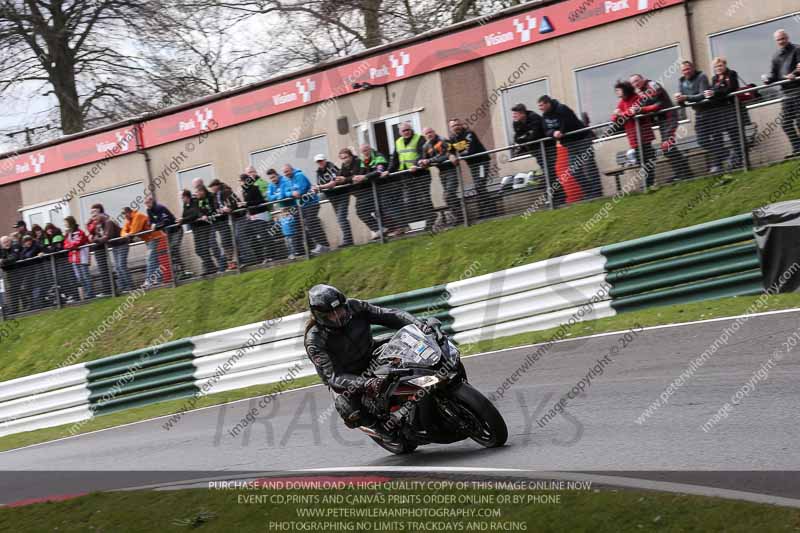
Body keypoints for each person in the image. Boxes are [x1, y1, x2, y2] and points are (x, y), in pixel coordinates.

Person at [304, 284, 440, 438]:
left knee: (409, 344)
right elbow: (333, 376)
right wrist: (366, 383)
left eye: (339, 310)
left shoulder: (355, 307)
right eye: (331, 314)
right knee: (349, 409)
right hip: (347, 375)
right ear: (320, 316)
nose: (338, 316)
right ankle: (380, 428)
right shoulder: (314, 340)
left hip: (371, 353)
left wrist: (418, 324)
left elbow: (391, 315)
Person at [538, 95, 602, 201]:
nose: (540, 108)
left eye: (541, 105)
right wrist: (553, 133)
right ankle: (589, 192)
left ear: (547, 103)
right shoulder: (545, 116)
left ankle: (597, 192)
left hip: (582, 139)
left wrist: (561, 132)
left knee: (589, 165)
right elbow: (546, 130)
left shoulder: (562, 108)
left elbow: (570, 122)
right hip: (570, 144)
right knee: (574, 170)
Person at [629, 74, 690, 182]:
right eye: (633, 82)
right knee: (668, 149)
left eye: (637, 80)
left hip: (669, 117)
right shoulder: (642, 91)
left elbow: (657, 105)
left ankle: (684, 174)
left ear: (643, 79)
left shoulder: (652, 84)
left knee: (667, 147)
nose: (635, 84)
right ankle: (683, 173)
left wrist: (641, 109)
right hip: (663, 121)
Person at [383, 122, 435, 235]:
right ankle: (410, 224)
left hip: (420, 174)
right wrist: (388, 170)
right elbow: (394, 159)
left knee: (425, 198)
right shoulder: (398, 142)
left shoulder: (419, 139)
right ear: (400, 132)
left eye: (408, 130)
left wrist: (416, 164)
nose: (406, 132)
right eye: (404, 131)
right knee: (409, 201)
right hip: (406, 176)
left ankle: (430, 221)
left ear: (411, 130)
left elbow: (423, 154)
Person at [611, 80, 657, 188]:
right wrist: (618, 115)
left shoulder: (637, 98)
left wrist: (620, 114)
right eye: (616, 90)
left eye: (618, 90)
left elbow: (632, 112)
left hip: (643, 135)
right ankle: (647, 184)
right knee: (641, 160)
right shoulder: (622, 102)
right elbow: (613, 117)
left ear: (625, 89)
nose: (617, 92)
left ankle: (649, 184)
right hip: (633, 137)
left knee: (647, 159)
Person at [763, 29, 800, 158]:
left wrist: (794, 74)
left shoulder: (797, 49)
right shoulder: (775, 56)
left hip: (798, 90)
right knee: (786, 123)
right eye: (778, 40)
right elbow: (773, 75)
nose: (781, 41)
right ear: (776, 41)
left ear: (787, 38)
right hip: (786, 93)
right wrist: (767, 80)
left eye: (783, 38)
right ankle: (797, 149)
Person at [448, 118, 493, 220]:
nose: (456, 127)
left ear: (461, 125)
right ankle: (483, 210)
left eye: (457, 125)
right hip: (472, 166)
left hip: (482, 163)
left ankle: (489, 210)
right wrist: (451, 155)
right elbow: (450, 150)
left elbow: (470, 150)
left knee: (479, 185)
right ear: (450, 128)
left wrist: (458, 157)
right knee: (478, 187)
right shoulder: (452, 138)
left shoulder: (469, 133)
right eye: (453, 126)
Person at [676, 61, 716, 173]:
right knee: (702, 141)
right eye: (684, 70)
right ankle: (723, 154)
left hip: (711, 111)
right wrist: (679, 100)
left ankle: (717, 165)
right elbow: (682, 102)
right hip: (698, 113)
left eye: (688, 69)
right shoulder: (681, 81)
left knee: (716, 138)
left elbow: (703, 95)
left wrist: (686, 98)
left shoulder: (701, 76)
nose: (686, 71)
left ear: (693, 68)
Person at [705, 58, 744, 170]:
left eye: (720, 65)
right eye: (716, 66)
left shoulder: (731, 74)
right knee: (725, 136)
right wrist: (711, 94)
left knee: (735, 136)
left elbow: (731, 89)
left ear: (725, 65)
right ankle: (734, 161)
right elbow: (714, 92)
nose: (718, 68)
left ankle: (741, 162)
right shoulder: (714, 78)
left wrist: (716, 93)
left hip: (732, 109)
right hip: (721, 112)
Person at [283, 164, 329, 255]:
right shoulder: (287, 180)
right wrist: (292, 193)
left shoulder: (299, 175)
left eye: (287, 171)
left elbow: (302, 189)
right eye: (284, 172)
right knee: (299, 225)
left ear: (292, 169)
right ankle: (311, 247)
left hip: (311, 203)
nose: (286, 174)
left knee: (311, 223)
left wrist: (296, 193)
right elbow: (285, 192)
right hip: (301, 206)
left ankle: (324, 245)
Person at [419, 127, 461, 226]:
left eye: (430, 132)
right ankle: (459, 216)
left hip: (451, 170)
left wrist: (429, 161)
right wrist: (421, 162)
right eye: (427, 133)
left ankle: (458, 216)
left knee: (449, 194)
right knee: (449, 195)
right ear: (425, 136)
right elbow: (424, 159)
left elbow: (446, 155)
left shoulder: (443, 140)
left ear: (434, 132)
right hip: (441, 172)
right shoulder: (425, 146)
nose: (429, 134)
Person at [314, 153, 353, 248]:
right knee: (341, 218)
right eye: (318, 161)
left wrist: (320, 187)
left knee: (341, 218)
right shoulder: (318, 172)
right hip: (332, 198)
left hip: (342, 195)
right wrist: (317, 187)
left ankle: (348, 241)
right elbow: (319, 184)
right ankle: (348, 239)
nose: (320, 163)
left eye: (321, 160)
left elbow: (333, 183)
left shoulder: (332, 167)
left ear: (325, 160)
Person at [179, 189, 221, 276]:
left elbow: (195, 214)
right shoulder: (185, 205)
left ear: (186, 197)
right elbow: (184, 215)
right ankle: (211, 267)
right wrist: (183, 219)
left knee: (204, 248)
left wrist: (184, 219)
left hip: (203, 227)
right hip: (195, 230)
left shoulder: (195, 201)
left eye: (182, 197)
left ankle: (211, 268)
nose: (181, 199)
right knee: (198, 250)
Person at [88, 204, 128, 293]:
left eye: (95, 214)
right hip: (114, 245)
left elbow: (107, 236)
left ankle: (129, 287)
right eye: (92, 214)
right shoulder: (98, 224)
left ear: (101, 214)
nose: (93, 217)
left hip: (121, 243)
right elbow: (98, 236)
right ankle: (122, 288)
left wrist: (94, 239)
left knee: (121, 266)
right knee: (117, 267)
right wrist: (95, 238)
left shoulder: (108, 221)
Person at [121, 207, 166, 287]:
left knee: (150, 258)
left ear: (128, 212)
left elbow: (135, 230)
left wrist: (128, 234)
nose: (124, 216)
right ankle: (159, 280)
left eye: (124, 214)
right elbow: (122, 231)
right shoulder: (129, 221)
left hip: (155, 237)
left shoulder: (138, 216)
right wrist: (126, 234)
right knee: (154, 259)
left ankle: (148, 281)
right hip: (149, 240)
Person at [355, 144, 391, 240]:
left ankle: (398, 227)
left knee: (384, 208)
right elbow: (362, 172)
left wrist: (364, 177)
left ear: (370, 149)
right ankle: (380, 229)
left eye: (366, 150)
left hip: (384, 187)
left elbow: (379, 171)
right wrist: (357, 177)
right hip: (371, 189)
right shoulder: (364, 160)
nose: (365, 153)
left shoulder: (378, 156)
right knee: (360, 210)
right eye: (363, 151)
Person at [145, 196, 185, 280]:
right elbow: (151, 223)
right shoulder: (149, 210)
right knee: (170, 252)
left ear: (152, 201)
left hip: (176, 230)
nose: (147, 205)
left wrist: (156, 226)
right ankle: (177, 273)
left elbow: (166, 221)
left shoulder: (160, 207)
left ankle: (182, 271)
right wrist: (153, 225)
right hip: (168, 233)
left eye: (148, 202)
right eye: (145, 203)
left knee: (173, 249)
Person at [208, 179, 240, 271]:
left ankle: (236, 261)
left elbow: (236, 202)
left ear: (217, 185)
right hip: (224, 222)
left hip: (233, 219)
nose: (212, 189)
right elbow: (216, 207)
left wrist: (230, 208)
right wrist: (218, 210)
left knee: (235, 239)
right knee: (225, 242)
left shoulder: (226, 192)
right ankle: (230, 263)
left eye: (212, 187)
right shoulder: (214, 196)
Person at [63, 216, 93, 300]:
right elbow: (65, 245)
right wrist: (70, 246)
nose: (65, 224)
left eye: (66, 222)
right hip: (73, 258)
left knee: (85, 276)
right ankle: (86, 294)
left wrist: (70, 245)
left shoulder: (80, 232)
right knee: (79, 277)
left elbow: (78, 243)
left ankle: (90, 294)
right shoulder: (68, 233)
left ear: (70, 222)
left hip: (82, 257)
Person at [0, 236, 22, 314]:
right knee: (11, 292)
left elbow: (14, 258)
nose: (6, 244)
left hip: (19, 272)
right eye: (4, 243)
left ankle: (28, 307)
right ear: (1, 244)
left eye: (7, 241)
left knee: (22, 290)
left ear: (10, 241)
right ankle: (14, 310)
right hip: (8, 274)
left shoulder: (15, 246)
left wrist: (2, 261)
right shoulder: (2, 251)